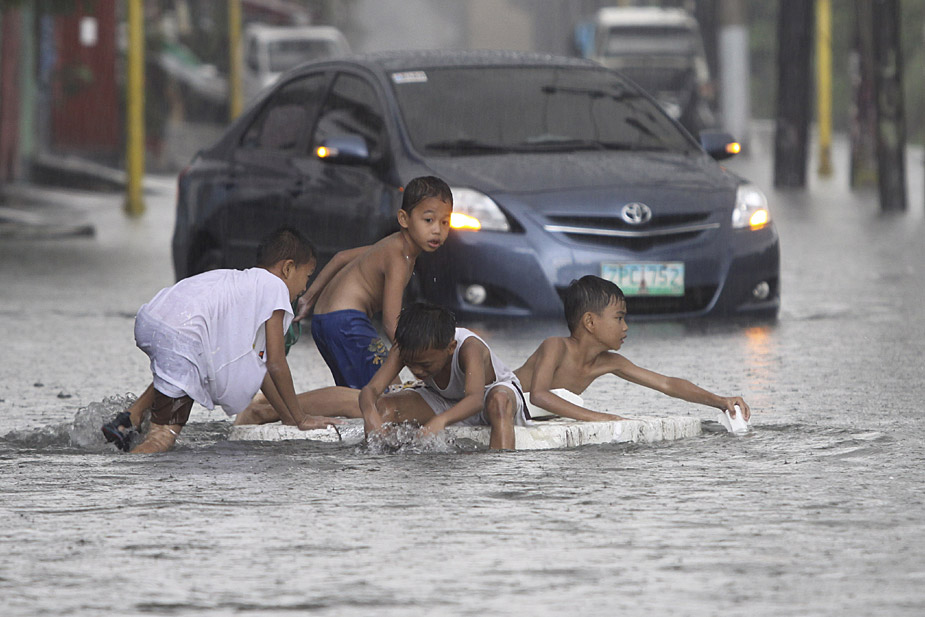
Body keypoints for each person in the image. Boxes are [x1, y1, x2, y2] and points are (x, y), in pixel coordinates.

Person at [101, 227, 340, 453]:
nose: (304, 287)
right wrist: (301, 418)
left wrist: (288, 417)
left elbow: (261, 368)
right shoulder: (275, 288)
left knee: (187, 372)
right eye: (307, 276)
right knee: (162, 436)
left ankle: (128, 419)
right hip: (184, 336)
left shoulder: (241, 283)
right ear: (288, 268)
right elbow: (276, 363)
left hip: (154, 319)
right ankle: (122, 477)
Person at [514, 275, 751, 422]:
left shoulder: (610, 362)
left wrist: (720, 401)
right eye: (619, 318)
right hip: (502, 404)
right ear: (590, 322)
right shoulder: (555, 347)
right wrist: (601, 418)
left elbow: (667, 384)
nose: (625, 327)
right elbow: (539, 396)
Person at [296, 176, 453, 390]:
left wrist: (308, 299)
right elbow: (391, 324)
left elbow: (341, 257)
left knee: (355, 395)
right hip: (347, 323)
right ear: (404, 219)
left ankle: (284, 405)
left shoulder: (390, 245)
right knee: (388, 393)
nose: (437, 230)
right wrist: (420, 363)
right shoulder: (399, 258)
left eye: (445, 222)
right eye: (428, 220)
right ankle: (277, 405)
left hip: (324, 321)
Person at [359, 302, 529, 450]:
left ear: (451, 348)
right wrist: (370, 416)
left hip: (486, 399)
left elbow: (475, 401)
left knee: (499, 401)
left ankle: (501, 466)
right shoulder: (404, 348)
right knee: (384, 408)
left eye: (425, 365)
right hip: (442, 400)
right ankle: (382, 464)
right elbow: (370, 390)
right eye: (410, 363)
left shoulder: (469, 348)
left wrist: (440, 421)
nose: (417, 371)